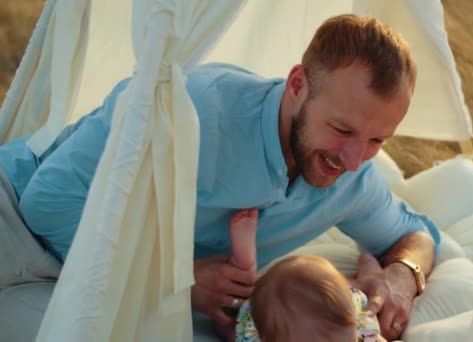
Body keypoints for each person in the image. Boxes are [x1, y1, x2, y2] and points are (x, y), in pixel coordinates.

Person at [0, 14, 441, 341]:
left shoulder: (352, 179)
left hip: (95, 295)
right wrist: (179, 276)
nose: (353, 159)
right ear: (297, 84)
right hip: (17, 225)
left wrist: (402, 277)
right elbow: (48, 201)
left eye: (377, 141)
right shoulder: (194, 107)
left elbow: (415, 235)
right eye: (342, 130)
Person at [228, 208, 385, 342]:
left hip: (349, 299)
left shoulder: (359, 326)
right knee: (231, 325)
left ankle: (368, 263)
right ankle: (245, 265)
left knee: (364, 296)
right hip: (260, 310)